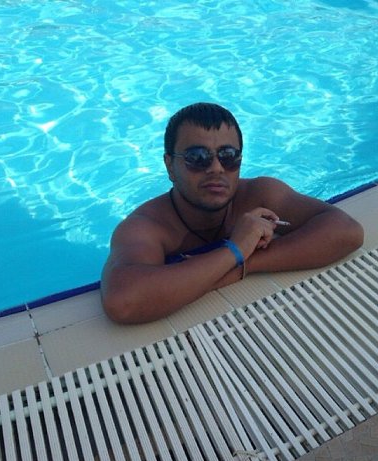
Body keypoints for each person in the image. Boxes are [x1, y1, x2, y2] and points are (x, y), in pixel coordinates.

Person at [101, 102, 364, 324]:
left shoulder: (260, 194)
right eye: (197, 157)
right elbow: (124, 301)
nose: (216, 168)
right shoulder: (146, 226)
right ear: (170, 166)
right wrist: (235, 250)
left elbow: (346, 231)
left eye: (228, 155)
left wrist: (242, 264)